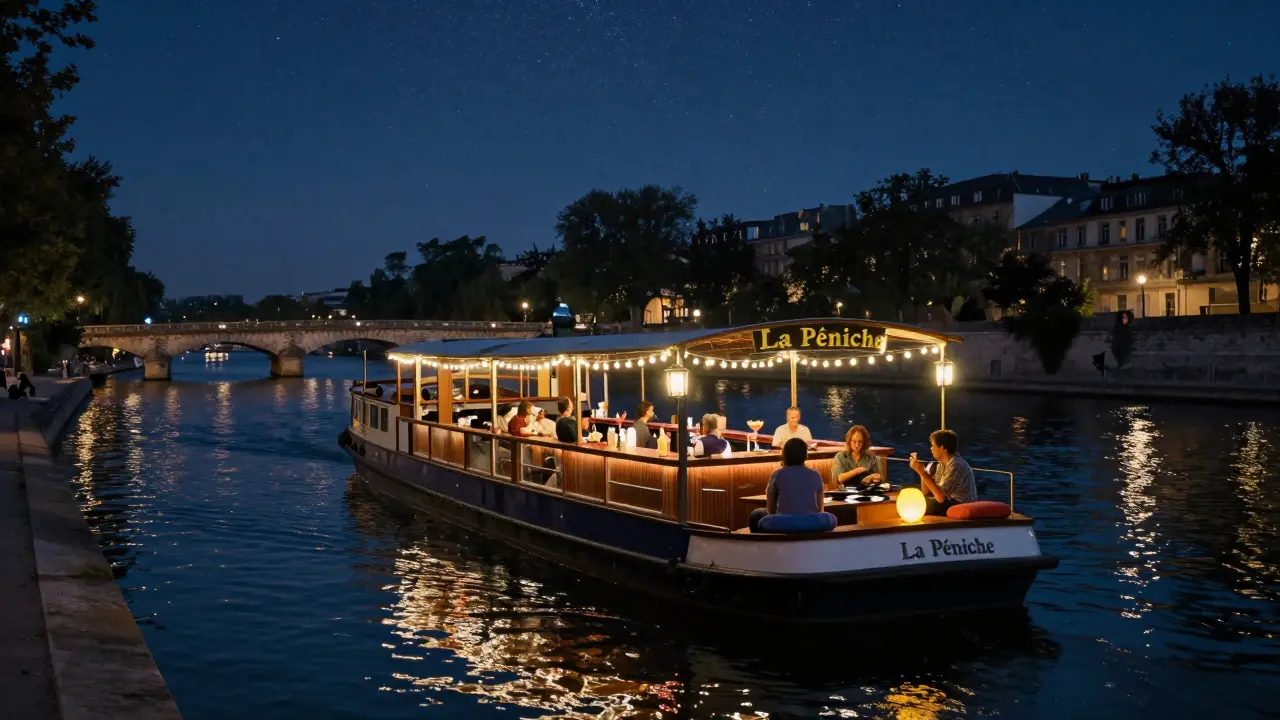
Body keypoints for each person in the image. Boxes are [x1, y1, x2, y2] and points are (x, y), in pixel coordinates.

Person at [749, 438, 826, 532]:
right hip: (810, 523)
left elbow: (771, 510)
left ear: (784, 455)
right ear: (805, 455)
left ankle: (762, 545)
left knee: (756, 514)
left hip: (784, 523)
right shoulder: (815, 475)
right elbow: (820, 509)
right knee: (830, 518)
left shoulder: (777, 474)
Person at [908, 429, 977, 516]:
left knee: (915, 503)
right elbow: (927, 492)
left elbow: (941, 497)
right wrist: (922, 471)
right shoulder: (941, 464)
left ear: (943, 447)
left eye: (933, 445)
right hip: (949, 501)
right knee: (913, 498)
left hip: (959, 504)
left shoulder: (956, 465)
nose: (931, 448)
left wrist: (922, 472)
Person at [832, 424, 884, 490]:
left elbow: (880, 478)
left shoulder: (871, 457)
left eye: (860, 442)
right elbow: (840, 479)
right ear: (849, 441)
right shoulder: (840, 456)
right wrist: (857, 471)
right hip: (846, 493)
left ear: (864, 442)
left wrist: (871, 477)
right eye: (854, 441)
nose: (857, 445)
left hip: (866, 493)